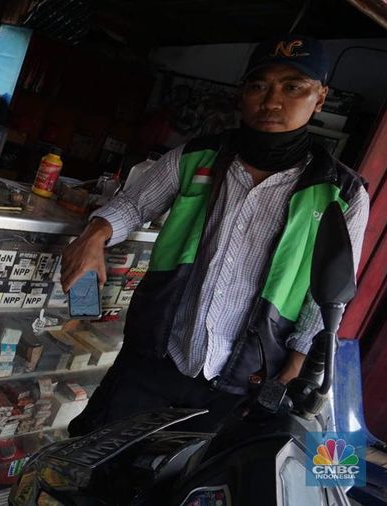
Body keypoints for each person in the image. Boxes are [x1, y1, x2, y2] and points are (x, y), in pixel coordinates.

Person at [61, 35, 370, 436]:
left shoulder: (341, 192)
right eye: (259, 86)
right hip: (155, 358)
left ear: (320, 98)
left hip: (245, 383)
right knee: (97, 461)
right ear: (243, 93)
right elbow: (135, 204)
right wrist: (95, 234)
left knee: (192, 489)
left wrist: (290, 374)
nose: (272, 100)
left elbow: (325, 297)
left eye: (293, 87)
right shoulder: (196, 156)